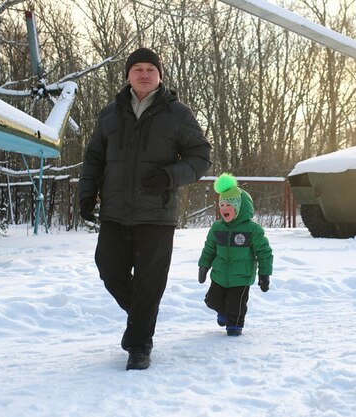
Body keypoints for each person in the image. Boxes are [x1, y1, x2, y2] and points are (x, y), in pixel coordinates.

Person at [78, 47, 211, 370]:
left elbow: (200, 158)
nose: (144, 75)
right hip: (115, 210)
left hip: (157, 213)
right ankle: (143, 317)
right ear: (127, 75)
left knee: (150, 282)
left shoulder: (177, 114)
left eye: (150, 70)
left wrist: (169, 176)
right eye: (137, 69)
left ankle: (139, 345)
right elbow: (94, 158)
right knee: (109, 269)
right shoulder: (109, 114)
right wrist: (86, 195)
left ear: (159, 76)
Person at [197, 173, 273, 336]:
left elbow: (264, 253)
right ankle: (223, 313)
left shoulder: (252, 230)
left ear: (239, 208)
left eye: (229, 205)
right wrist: (203, 266)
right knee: (212, 301)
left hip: (241, 276)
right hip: (219, 274)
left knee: (236, 305)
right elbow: (209, 248)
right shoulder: (217, 228)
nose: (224, 209)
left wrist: (264, 274)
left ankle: (234, 326)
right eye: (222, 205)